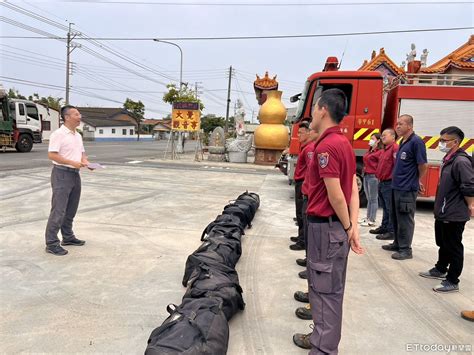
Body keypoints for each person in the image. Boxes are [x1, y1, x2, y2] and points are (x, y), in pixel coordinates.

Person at [293, 88, 363, 353]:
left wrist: (348, 227)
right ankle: (321, 341)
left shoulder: (326, 147)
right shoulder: (343, 143)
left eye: (313, 108)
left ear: (323, 109)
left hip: (327, 227)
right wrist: (352, 227)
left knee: (325, 295)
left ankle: (323, 349)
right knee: (327, 291)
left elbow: (336, 195)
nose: (311, 114)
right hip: (334, 227)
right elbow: (353, 189)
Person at [418, 126, 474, 292]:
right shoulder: (449, 158)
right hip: (444, 211)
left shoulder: (461, 161)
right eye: (440, 139)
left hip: (454, 213)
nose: (440, 143)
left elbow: (469, 186)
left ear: (455, 142)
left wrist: (470, 204)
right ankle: (441, 268)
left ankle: (452, 280)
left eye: (444, 140)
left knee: (453, 246)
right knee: (443, 243)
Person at [44, 105, 89, 256]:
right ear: (67, 117)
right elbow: (52, 155)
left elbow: (82, 152)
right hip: (61, 174)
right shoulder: (58, 134)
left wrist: (85, 162)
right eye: (76, 114)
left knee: (71, 208)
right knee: (59, 210)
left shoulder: (77, 135)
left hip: (75, 174)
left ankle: (68, 237)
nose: (80, 116)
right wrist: (72, 162)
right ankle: (51, 243)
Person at [382, 114, 427, 260]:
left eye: (401, 124)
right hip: (397, 186)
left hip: (407, 188)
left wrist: (416, 180)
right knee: (395, 217)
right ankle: (397, 243)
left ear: (410, 126)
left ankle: (406, 249)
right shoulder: (403, 141)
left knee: (405, 219)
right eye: (397, 124)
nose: (398, 126)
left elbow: (423, 165)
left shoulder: (416, 142)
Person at [290, 121, 315, 251]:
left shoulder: (310, 149)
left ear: (308, 133)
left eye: (300, 133)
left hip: (303, 184)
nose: (298, 135)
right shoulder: (305, 147)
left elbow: (311, 169)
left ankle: (303, 241)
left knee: (302, 213)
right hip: (300, 183)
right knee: (299, 212)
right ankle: (301, 236)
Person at [371, 129, 399, 240]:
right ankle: (384, 226)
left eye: (384, 135)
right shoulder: (384, 149)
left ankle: (391, 231)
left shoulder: (395, 148)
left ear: (393, 136)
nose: (382, 137)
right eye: (381, 136)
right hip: (382, 182)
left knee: (390, 208)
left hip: (389, 183)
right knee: (385, 207)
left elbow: (397, 166)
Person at [360, 133, 383, 227]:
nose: (370, 140)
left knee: (373, 198)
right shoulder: (370, 150)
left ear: (378, 140)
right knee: (369, 198)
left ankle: (372, 219)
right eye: (370, 138)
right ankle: (368, 217)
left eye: (372, 138)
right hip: (366, 175)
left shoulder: (379, 152)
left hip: (373, 177)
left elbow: (381, 165)